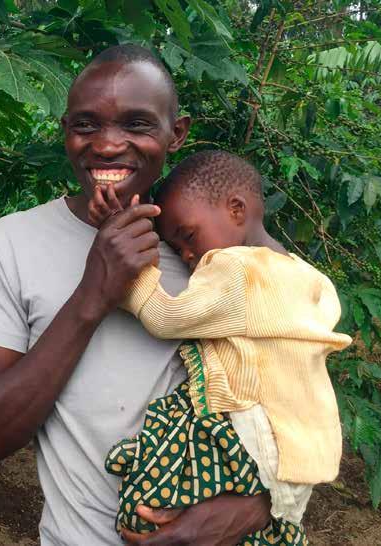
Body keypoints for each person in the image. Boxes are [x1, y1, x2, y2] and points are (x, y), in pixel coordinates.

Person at [0, 44, 275, 545]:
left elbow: (301, 402)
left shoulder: (215, 250)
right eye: (86, 125)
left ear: (177, 133)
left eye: (137, 124)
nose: (106, 145)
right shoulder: (14, 243)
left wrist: (255, 508)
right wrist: (94, 293)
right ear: (65, 130)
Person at [89, 151, 352, 544]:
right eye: (176, 249)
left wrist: (125, 268)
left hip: (251, 435)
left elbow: (166, 318)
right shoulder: (308, 276)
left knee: (151, 506)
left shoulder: (237, 270)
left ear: (236, 209)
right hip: (297, 446)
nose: (188, 256)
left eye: (188, 237)